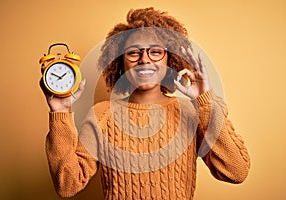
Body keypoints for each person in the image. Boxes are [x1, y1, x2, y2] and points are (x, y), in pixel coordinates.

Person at [41, 7, 250, 200]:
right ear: (121, 62)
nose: (145, 60)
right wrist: (61, 113)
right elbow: (67, 185)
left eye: (156, 51)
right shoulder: (102, 115)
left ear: (170, 60)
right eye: (134, 52)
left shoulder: (191, 112)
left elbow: (236, 171)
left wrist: (204, 100)